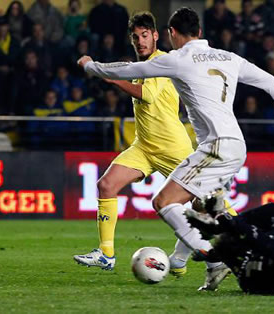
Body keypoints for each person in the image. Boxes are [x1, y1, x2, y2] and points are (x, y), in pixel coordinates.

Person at [78, 7, 274, 291]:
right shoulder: (228, 57)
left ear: (171, 33)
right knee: (207, 208)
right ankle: (215, 262)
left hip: (215, 147)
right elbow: (269, 81)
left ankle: (214, 257)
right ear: (199, 31)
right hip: (236, 146)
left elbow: (127, 69)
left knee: (164, 203)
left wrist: (91, 66)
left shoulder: (177, 60)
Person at [73, 12, 196, 277]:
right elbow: (125, 73)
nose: (140, 41)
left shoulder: (162, 61)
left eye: (145, 35)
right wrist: (103, 69)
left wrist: (112, 79)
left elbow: (148, 96)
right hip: (144, 147)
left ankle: (225, 249)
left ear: (155, 35)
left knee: (207, 202)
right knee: (106, 184)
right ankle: (106, 254)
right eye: (135, 37)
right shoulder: (140, 66)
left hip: (172, 147)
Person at [185, 186, 274, 295]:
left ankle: (222, 221)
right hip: (267, 273)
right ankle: (223, 223)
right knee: (262, 227)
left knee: (243, 237)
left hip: (262, 280)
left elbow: (259, 239)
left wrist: (222, 221)